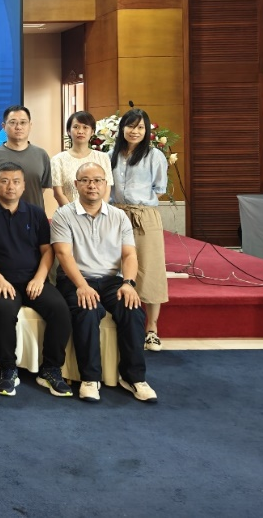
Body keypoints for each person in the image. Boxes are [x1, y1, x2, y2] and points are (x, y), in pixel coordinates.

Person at [51, 162, 157, 404]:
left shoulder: (119, 216)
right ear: (76, 185)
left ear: (105, 184)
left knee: (132, 309)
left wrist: (128, 283)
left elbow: (129, 255)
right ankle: (90, 379)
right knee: (87, 310)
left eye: (98, 180)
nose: (92, 185)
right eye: (86, 180)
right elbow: (63, 254)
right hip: (76, 280)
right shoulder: (64, 214)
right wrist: (82, 285)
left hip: (111, 281)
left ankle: (134, 377)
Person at [0, 162, 72, 398]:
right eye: (5, 181)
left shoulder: (36, 213)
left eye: (16, 181)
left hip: (32, 279)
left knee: (60, 309)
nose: (11, 186)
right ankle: (8, 369)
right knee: (5, 310)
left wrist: (39, 278)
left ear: (24, 185)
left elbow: (47, 251)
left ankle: (51, 369)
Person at [110, 107, 169, 351]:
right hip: (116, 215)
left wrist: (139, 204)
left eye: (140, 127)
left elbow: (159, 188)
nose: (135, 131)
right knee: (115, 268)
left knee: (150, 269)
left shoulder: (154, 156)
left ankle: (151, 330)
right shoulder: (111, 154)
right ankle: (119, 324)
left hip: (144, 215)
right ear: (122, 128)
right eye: (131, 126)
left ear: (146, 131)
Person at [0, 105, 52, 209]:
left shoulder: (42, 155)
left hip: (34, 216)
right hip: (0, 216)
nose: (18, 127)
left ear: (30, 125)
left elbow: (41, 188)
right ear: (4, 126)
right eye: (13, 122)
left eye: (23, 122)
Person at [51, 111, 112, 206]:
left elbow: (107, 190)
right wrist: (73, 213)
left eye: (85, 127)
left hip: (98, 213)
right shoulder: (58, 160)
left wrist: (98, 212)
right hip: (68, 213)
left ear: (92, 132)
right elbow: (58, 194)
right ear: (68, 131)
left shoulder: (103, 157)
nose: (80, 131)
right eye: (76, 127)